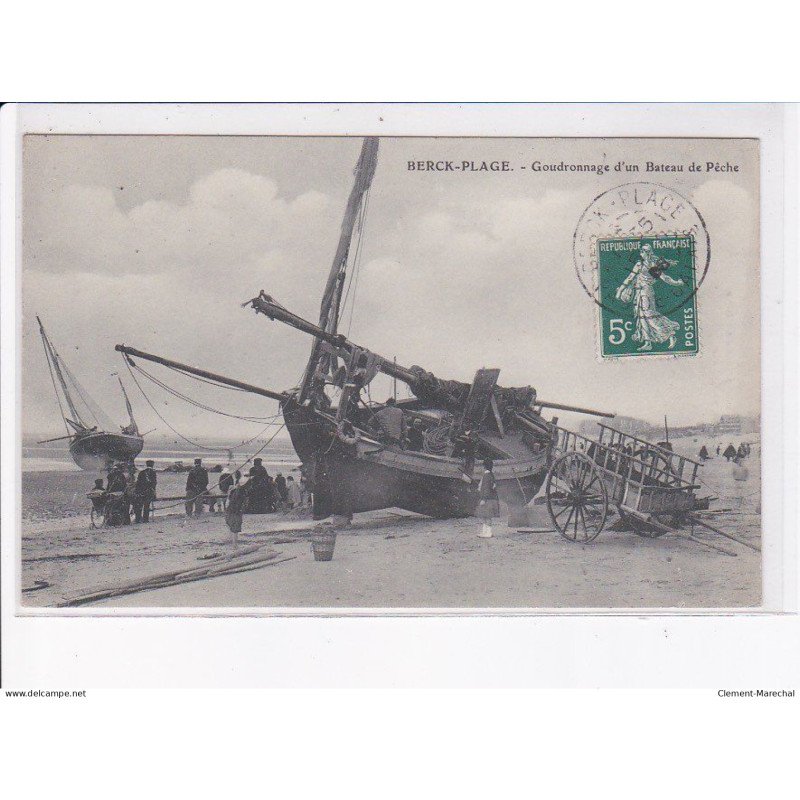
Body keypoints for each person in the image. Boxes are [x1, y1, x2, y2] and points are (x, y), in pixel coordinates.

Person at [614, 243, 684, 351]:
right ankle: (648, 343)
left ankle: (670, 333)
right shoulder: (639, 265)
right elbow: (630, 278)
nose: (641, 252)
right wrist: (620, 291)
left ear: (648, 253)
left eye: (644, 250)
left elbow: (665, 278)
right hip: (638, 293)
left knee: (648, 315)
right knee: (641, 317)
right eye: (641, 250)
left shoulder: (652, 266)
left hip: (646, 292)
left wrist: (677, 283)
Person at [477, 459, 499, 538]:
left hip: (488, 499)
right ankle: (485, 532)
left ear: (484, 466)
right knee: (485, 516)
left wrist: (483, 499)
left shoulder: (486, 476)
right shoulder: (491, 475)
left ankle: (488, 533)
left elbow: (486, 488)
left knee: (487, 516)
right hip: (491, 499)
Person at [225, 475, 249, 546]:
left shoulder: (232, 490)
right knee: (235, 528)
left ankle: (232, 541)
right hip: (237, 511)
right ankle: (234, 543)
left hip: (231, 510)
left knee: (231, 525)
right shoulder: (243, 492)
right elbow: (244, 503)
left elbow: (228, 501)